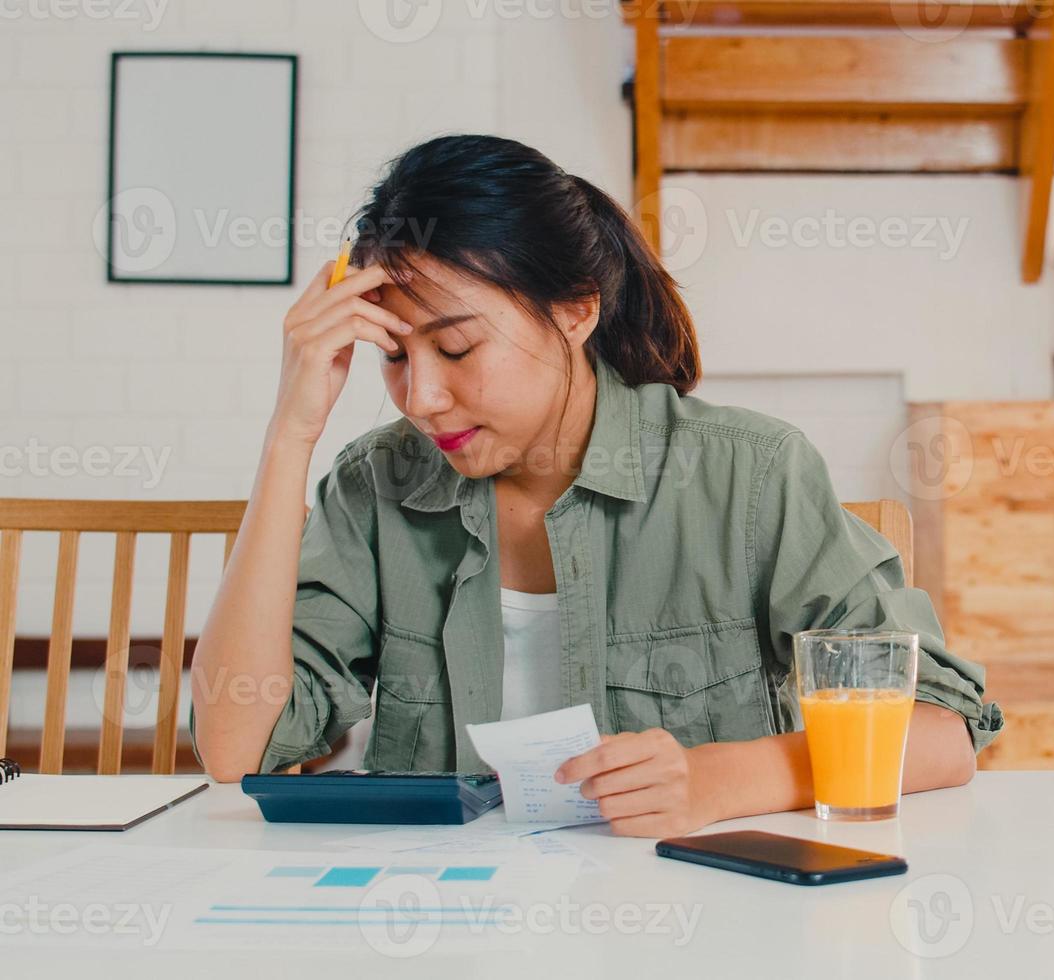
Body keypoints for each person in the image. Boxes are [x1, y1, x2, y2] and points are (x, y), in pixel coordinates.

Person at [190, 134, 1002, 838]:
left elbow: (941, 735)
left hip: (686, 915)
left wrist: (721, 779)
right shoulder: (377, 486)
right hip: (446, 919)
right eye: (395, 357)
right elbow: (236, 746)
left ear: (576, 313)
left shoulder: (746, 474)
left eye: (459, 349)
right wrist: (289, 435)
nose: (422, 398)